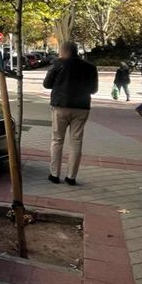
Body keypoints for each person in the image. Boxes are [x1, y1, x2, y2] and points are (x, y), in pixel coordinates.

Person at [43, 41, 98, 186]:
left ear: (64, 51)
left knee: (57, 140)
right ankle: (71, 177)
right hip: (82, 107)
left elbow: (47, 84)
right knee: (76, 142)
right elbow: (94, 90)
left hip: (61, 106)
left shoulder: (58, 64)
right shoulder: (91, 67)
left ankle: (54, 175)